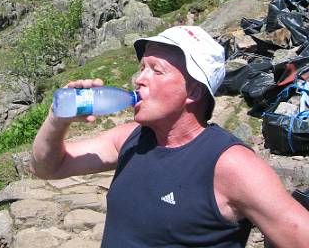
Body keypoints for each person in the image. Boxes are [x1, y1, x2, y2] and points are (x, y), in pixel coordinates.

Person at [31, 25, 309, 247]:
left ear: (194, 92)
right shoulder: (131, 139)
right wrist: (58, 117)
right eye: (142, 68)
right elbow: (48, 168)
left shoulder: (230, 164)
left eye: (156, 70)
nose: (139, 79)